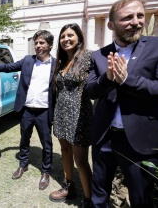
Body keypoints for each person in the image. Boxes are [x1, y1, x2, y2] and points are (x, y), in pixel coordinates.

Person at [86, 0, 158, 207]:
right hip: (105, 137)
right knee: (99, 192)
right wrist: (107, 79)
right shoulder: (99, 55)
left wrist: (129, 80)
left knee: (142, 198)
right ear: (111, 25)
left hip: (142, 141)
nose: (136, 22)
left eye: (140, 16)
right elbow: (91, 90)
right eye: (128, 17)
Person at [0, 30, 55, 190]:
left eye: (41, 43)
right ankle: (23, 164)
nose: (38, 45)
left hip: (44, 111)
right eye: (36, 43)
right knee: (24, 139)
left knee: (46, 143)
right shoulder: (28, 60)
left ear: (50, 45)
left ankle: (46, 171)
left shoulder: (55, 65)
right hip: (27, 110)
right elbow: (9, 67)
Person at [49, 23, 93, 207]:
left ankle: (89, 200)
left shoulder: (88, 57)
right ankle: (69, 187)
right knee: (65, 151)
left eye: (70, 35)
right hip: (61, 113)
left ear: (79, 37)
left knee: (81, 160)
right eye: (63, 36)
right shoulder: (60, 61)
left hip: (80, 115)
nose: (66, 39)